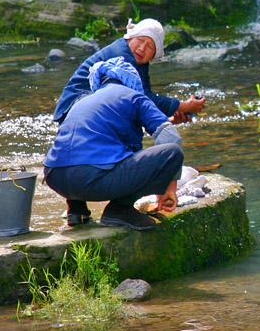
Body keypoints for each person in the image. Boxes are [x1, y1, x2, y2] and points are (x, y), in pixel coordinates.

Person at [44, 57, 184, 231]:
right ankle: (120, 209)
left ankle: (77, 210)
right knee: (172, 152)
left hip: (54, 176)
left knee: (81, 150)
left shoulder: (82, 101)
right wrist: (169, 188)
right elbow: (171, 137)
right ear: (132, 81)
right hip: (91, 178)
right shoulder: (135, 97)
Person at [53, 18, 206, 125]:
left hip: (82, 112)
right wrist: (183, 106)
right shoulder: (123, 56)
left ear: (154, 56)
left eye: (150, 47)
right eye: (140, 41)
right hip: (75, 108)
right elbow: (144, 99)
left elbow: (140, 105)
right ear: (130, 38)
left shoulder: (139, 63)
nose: (142, 48)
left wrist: (168, 121)